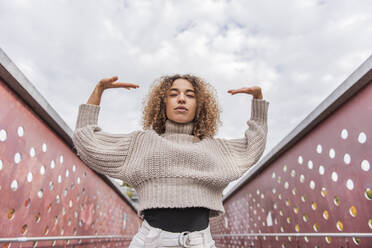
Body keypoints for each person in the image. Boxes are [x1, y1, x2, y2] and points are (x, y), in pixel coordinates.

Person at [72, 74, 269, 247]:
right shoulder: (141, 143)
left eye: (190, 95)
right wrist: (98, 91)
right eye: (173, 94)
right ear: (162, 103)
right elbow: (87, 142)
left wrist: (258, 101)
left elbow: (253, 146)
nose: (181, 99)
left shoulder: (216, 149)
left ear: (198, 105)